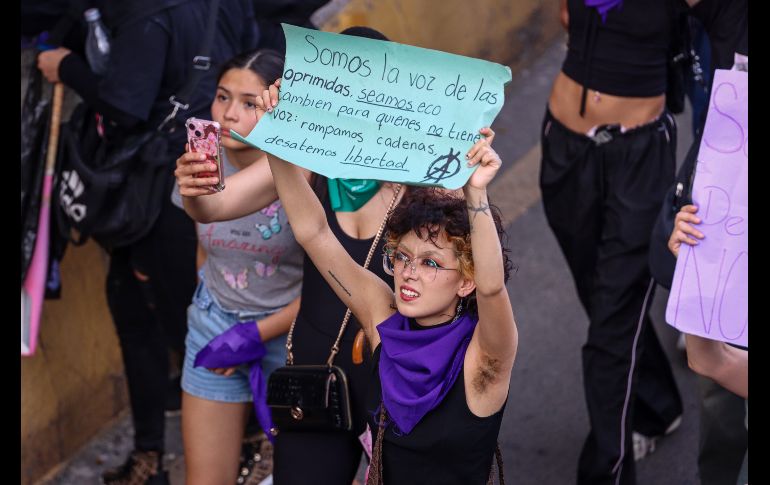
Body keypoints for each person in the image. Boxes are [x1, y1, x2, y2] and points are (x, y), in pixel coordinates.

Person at [256, 75, 518, 484]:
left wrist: (475, 194)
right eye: (403, 257)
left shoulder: (485, 357)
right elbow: (314, 233)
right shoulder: (383, 318)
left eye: (431, 263)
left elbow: (492, 286)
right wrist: (277, 142)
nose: (409, 272)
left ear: (464, 281)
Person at [36, 1, 258, 482]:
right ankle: (203, 452)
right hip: (208, 163)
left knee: (173, 325)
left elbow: (125, 102)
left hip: (160, 189)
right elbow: (247, 51)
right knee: (190, 316)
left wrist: (66, 66)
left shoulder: (145, 13)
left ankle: (206, 452)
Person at [181, 26, 411, 485]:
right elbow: (216, 205)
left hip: (398, 370)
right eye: (339, 87)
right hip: (316, 363)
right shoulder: (307, 157)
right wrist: (195, 189)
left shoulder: (421, 177)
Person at [539, 1, 685, 482]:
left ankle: (606, 470)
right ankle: (657, 403)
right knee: (602, 298)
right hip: (564, 145)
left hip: (639, 157)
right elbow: (566, 14)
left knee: (611, 332)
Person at [172, 48, 304, 485]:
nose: (229, 114)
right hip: (215, 326)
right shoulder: (203, 165)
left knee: (305, 471)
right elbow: (204, 247)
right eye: (222, 97)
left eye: (249, 103)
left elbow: (330, 282)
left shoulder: (305, 173)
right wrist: (217, 317)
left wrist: (252, 335)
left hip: (291, 336)